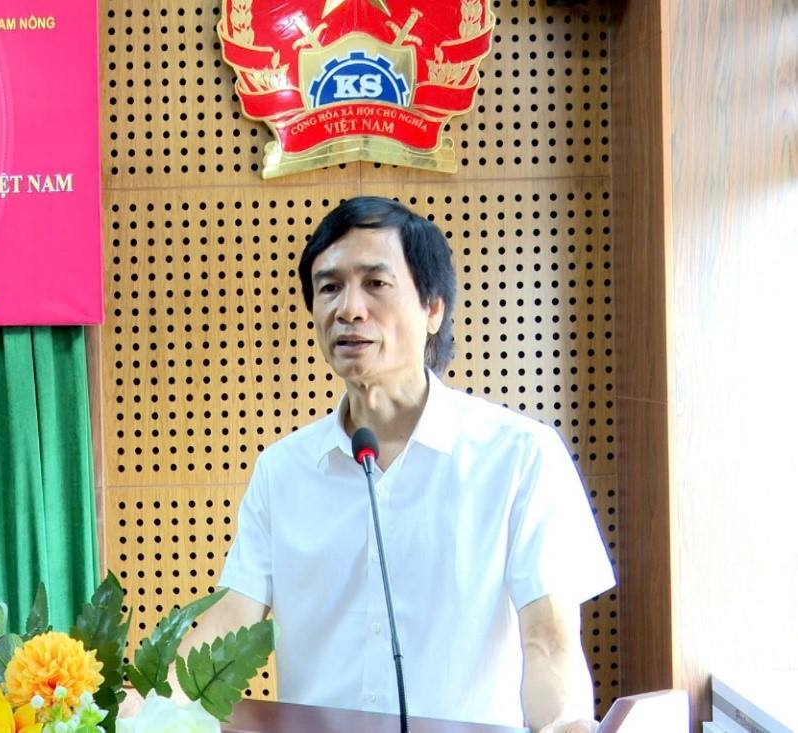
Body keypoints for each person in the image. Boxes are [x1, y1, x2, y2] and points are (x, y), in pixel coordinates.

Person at [178, 197, 615, 732]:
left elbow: (548, 642)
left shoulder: (520, 456)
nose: (349, 309)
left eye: (375, 284)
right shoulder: (282, 472)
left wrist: (567, 726)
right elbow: (225, 629)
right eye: (329, 287)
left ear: (433, 309)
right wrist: (137, 707)